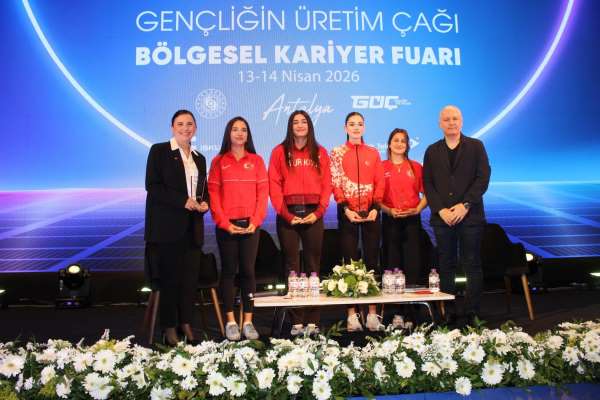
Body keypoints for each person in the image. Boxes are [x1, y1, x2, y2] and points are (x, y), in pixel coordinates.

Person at [144, 109, 209, 346]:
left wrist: (205, 203)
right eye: (180, 124)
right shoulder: (159, 151)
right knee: (170, 280)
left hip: (193, 228)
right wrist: (183, 201)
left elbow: (203, 189)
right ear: (172, 127)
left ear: (195, 128)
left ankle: (186, 323)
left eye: (189, 124)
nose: (185, 128)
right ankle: (169, 327)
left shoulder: (199, 158)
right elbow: (153, 186)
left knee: (189, 281)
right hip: (167, 229)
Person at [423, 105, 491, 323]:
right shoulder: (432, 150)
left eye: (455, 118)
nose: (451, 122)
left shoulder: (476, 146)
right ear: (440, 124)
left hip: (470, 217)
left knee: (472, 264)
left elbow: (483, 178)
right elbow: (428, 183)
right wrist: (440, 209)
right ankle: (448, 313)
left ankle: (472, 313)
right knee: (446, 265)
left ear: (461, 121)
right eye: (447, 119)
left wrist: (465, 204)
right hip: (442, 218)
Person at [268, 110, 332, 336]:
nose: (300, 125)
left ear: (309, 125)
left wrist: (319, 212)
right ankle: (296, 321)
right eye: (295, 122)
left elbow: (327, 184)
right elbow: (274, 184)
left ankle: (313, 320)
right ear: (290, 126)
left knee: (314, 266)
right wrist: (287, 214)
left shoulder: (320, 152)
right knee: (292, 267)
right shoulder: (279, 151)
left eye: (303, 121)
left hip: (314, 214)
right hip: (289, 215)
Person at [208, 116, 268, 341]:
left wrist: (255, 221)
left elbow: (262, 195)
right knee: (228, 272)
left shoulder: (257, 161)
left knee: (248, 272)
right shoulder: (218, 161)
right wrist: (225, 224)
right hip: (227, 228)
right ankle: (231, 322)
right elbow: (213, 196)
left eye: (244, 129)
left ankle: (248, 322)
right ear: (228, 133)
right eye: (235, 129)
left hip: (251, 226)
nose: (240, 133)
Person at [330, 111, 385, 332]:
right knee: (349, 263)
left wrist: (376, 208)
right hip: (347, 213)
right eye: (351, 124)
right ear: (345, 128)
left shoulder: (373, 152)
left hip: (371, 213)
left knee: (372, 261)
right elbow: (335, 182)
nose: (355, 127)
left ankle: (372, 314)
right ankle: (352, 315)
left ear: (364, 128)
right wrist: (345, 208)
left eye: (359, 124)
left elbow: (380, 181)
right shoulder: (336, 152)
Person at [381, 128, 428, 285]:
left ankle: (412, 296)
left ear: (407, 145)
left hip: (412, 220)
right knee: (391, 260)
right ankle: (392, 297)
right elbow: (375, 198)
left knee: (412, 260)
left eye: (403, 141)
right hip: (390, 219)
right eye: (396, 140)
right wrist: (389, 210)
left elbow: (427, 194)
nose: (399, 144)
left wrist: (418, 209)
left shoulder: (416, 167)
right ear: (389, 144)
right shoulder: (380, 167)